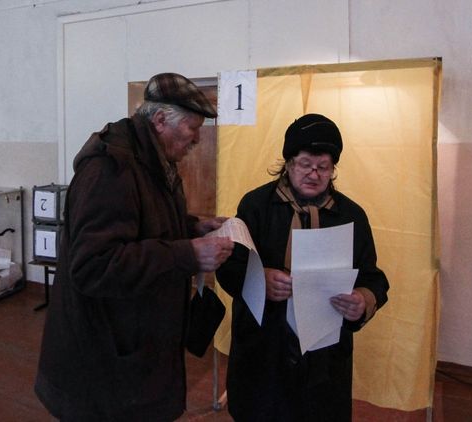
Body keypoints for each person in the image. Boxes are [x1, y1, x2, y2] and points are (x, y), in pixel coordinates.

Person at [34, 73, 234, 421]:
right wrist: (187, 254)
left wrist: (191, 228)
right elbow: (94, 265)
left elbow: (141, 224)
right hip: (103, 365)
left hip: (130, 347)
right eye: (192, 128)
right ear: (161, 121)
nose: (197, 139)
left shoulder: (151, 161)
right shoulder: (111, 169)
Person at [215, 113, 389, 421]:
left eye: (324, 167)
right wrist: (259, 279)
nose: (314, 174)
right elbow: (228, 266)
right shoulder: (256, 206)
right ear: (288, 163)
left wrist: (362, 300)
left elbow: (373, 278)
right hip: (264, 348)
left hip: (324, 357)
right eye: (305, 164)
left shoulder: (351, 215)